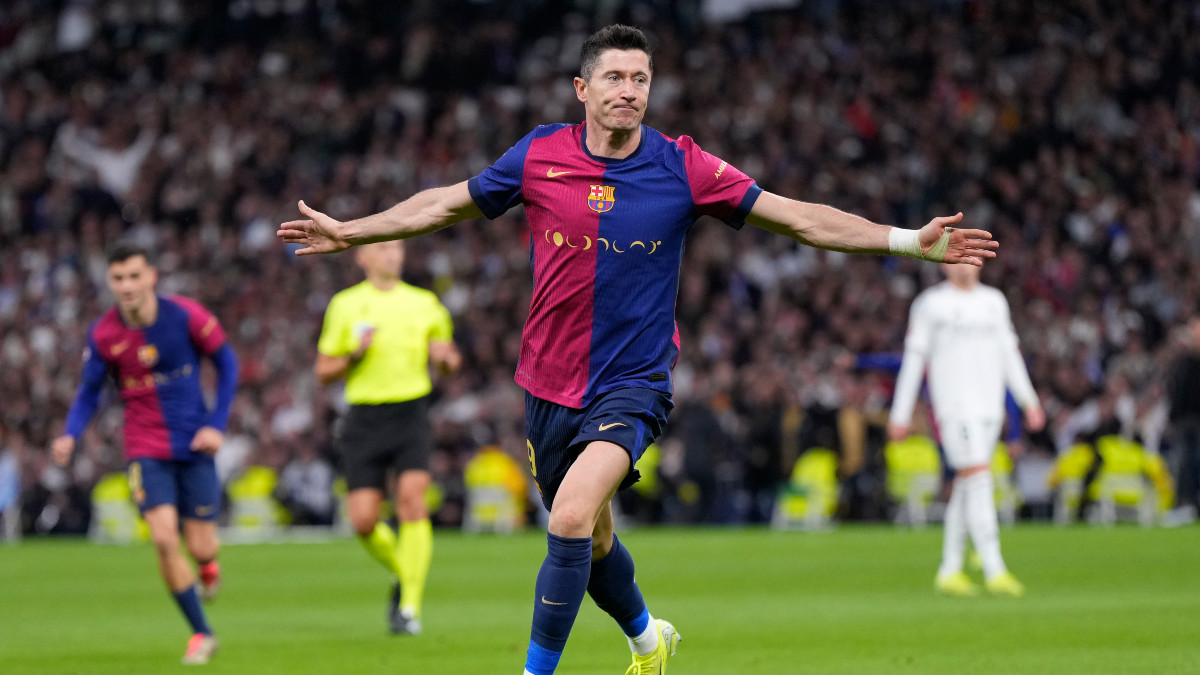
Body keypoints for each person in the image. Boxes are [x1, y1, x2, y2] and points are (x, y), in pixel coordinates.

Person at [279, 24, 997, 675]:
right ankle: (650, 640)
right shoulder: (539, 155)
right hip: (547, 385)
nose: (630, 91)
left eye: (641, 79)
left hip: (633, 382)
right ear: (582, 90)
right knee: (588, 542)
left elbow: (801, 219)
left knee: (565, 518)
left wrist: (905, 240)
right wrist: (354, 231)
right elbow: (440, 204)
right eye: (616, 78)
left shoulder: (683, 167)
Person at [52, 242, 238, 665]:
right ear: (110, 282)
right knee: (163, 538)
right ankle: (201, 633)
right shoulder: (104, 334)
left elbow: (228, 364)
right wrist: (69, 434)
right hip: (144, 448)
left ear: (151, 276)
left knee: (201, 546)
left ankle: (208, 566)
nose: (127, 285)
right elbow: (89, 392)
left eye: (134, 276)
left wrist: (216, 424)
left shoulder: (187, 316)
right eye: (118, 278)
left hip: (195, 444)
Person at [314, 240, 462, 635]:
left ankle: (409, 608)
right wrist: (352, 356)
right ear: (362, 257)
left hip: (411, 411)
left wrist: (444, 359)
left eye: (396, 247)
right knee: (362, 520)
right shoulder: (345, 305)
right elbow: (323, 370)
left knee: (412, 501)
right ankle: (407, 575)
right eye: (381, 248)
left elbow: (449, 360)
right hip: (363, 416)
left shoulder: (425, 303)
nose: (391, 254)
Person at [887, 263, 1043, 598]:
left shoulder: (994, 301)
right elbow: (914, 360)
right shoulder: (931, 304)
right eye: (957, 255)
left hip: (989, 408)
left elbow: (1009, 355)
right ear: (944, 263)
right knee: (979, 477)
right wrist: (900, 413)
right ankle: (994, 567)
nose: (965, 262)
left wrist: (1029, 401)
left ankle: (950, 569)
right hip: (955, 408)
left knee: (966, 484)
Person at [1164, 315, 1200, 526]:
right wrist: (1172, 418)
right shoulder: (1183, 363)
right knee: (1183, 463)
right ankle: (1185, 505)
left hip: (1194, 420)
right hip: (1184, 422)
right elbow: (1176, 393)